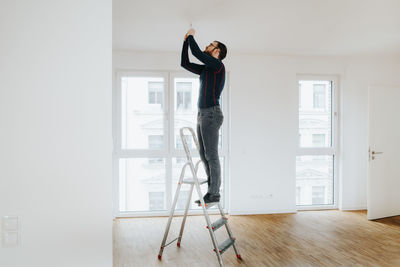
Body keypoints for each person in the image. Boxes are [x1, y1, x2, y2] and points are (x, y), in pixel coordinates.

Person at [180, 28, 227, 204]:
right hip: (202, 114)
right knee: (203, 154)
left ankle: (214, 193)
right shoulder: (207, 69)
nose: (208, 46)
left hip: (211, 114)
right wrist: (185, 42)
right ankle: (211, 191)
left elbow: (197, 52)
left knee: (211, 155)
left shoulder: (217, 66)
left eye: (211, 45)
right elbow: (185, 63)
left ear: (217, 52)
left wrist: (191, 36)